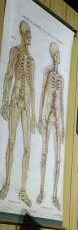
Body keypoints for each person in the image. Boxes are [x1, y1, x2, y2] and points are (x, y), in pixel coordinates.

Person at [0, 20, 36, 207]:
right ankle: (6, 184)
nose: (30, 35)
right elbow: (8, 76)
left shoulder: (31, 61)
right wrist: (4, 101)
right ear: (22, 33)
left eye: (30, 32)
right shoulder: (15, 51)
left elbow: (32, 87)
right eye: (27, 32)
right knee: (12, 142)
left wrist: (35, 114)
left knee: (28, 148)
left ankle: (23, 189)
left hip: (26, 107)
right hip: (15, 100)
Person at [37, 42, 65, 210]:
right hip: (47, 118)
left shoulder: (61, 79)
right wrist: (40, 117)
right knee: (44, 154)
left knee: (58, 158)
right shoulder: (47, 73)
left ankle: (54, 195)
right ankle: (41, 190)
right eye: (57, 55)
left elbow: (61, 103)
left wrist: (62, 127)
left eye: (59, 55)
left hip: (56, 120)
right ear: (54, 56)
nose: (58, 57)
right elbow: (43, 94)